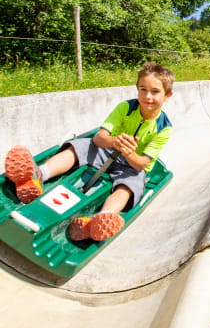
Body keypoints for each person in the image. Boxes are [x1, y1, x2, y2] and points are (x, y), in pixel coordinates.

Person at [3, 62, 175, 242]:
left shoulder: (164, 129)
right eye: (142, 89)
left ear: (167, 95)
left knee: (130, 186)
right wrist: (116, 142)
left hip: (131, 165)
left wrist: (128, 151)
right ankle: (37, 176)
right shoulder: (125, 108)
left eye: (155, 92)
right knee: (81, 146)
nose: (147, 96)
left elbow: (141, 163)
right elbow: (99, 138)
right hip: (108, 149)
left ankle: (98, 221)